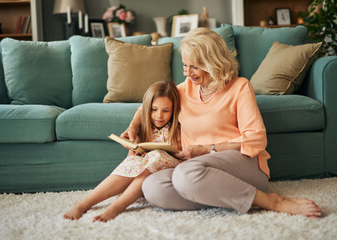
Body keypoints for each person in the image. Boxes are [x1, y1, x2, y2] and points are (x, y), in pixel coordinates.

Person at [121, 28, 322, 218]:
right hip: (196, 171)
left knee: (185, 175)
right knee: (153, 188)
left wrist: (206, 149)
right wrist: (133, 127)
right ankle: (227, 196)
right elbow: (147, 105)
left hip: (242, 164)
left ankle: (270, 201)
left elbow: (256, 140)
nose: (187, 73)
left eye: (194, 66)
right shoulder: (185, 89)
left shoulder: (239, 87)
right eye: (185, 65)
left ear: (212, 61)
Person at [64, 80, 182, 222]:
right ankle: (83, 204)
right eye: (154, 109)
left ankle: (117, 207)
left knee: (156, 156)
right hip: (146, 164)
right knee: (133, 161)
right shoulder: (145, 125)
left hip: (168, 166)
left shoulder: (177, 126)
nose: (159, 116)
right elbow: (143, 109)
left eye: (166, 111)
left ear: (173, 110)